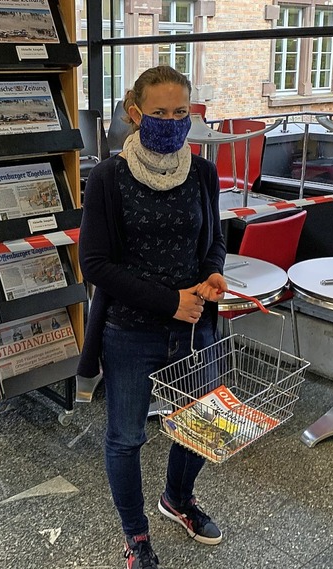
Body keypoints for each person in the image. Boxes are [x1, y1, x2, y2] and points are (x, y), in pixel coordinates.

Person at [78, 65, 228, 569]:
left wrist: (211, 274)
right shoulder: (108, 177)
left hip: (195, 326)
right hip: (130, 331)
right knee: (126, 437)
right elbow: (95, 264)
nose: (172, 121)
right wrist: (170, 302)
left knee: (202, 427)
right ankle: (136, 535)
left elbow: (215, 240)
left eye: (181, 112)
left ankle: (177, 501)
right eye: (160, 113)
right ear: (134, 113)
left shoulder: (203, 171)